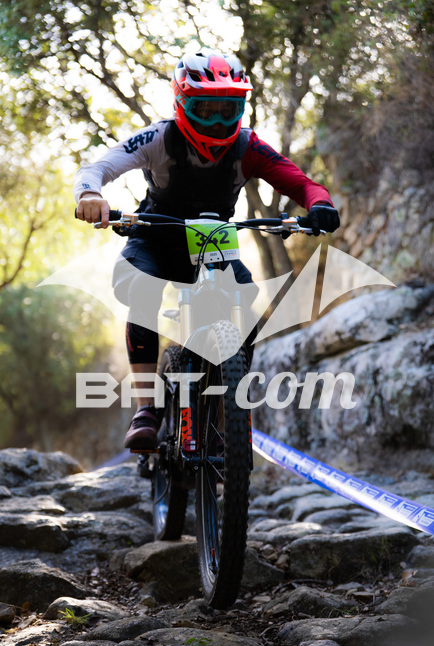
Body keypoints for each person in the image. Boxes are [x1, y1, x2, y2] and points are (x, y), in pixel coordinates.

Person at [74, 47, 339, 451]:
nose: (217, 121)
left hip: (214, 242)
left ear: (241, 108)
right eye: (206, 109)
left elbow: (301, 183)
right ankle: (147, 409)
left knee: (245, 306)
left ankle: (224, 413)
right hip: (155, 237)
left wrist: (320, 204)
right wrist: (90, 194)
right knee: (142, 289)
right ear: (182, 103)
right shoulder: (159, 138)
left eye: (227, 110)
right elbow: (98, 168)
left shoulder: (248, 146)